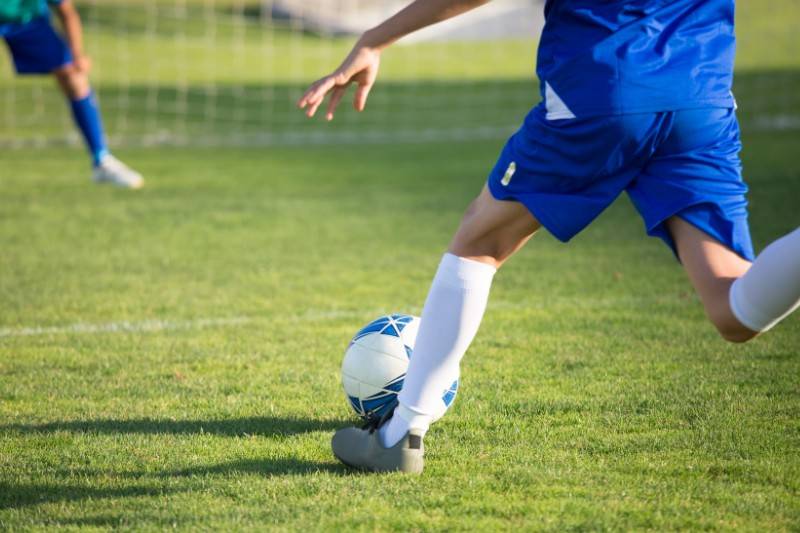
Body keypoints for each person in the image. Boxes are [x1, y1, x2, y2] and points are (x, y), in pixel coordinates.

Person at [297, 0, 800, 474]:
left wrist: (377, 37)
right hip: (701, 101)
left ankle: (399, 436)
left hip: (601, 90)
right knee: (734, 308)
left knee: (480, 242)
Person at [1, 0, 143, 189]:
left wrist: (77, 55)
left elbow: (67, 12)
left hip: (28, 22)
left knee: (73, 76)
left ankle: (102, 160)